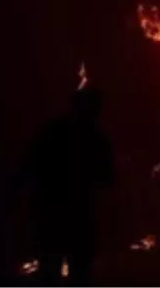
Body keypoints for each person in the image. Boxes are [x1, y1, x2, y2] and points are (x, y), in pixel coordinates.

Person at [27, 86, 114, 286]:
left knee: (55, 268)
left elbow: (28, 163)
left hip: (56, 211)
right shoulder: (96, 139)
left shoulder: (53, 131)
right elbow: (108, 179)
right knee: (73, 269)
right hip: (69, 213)